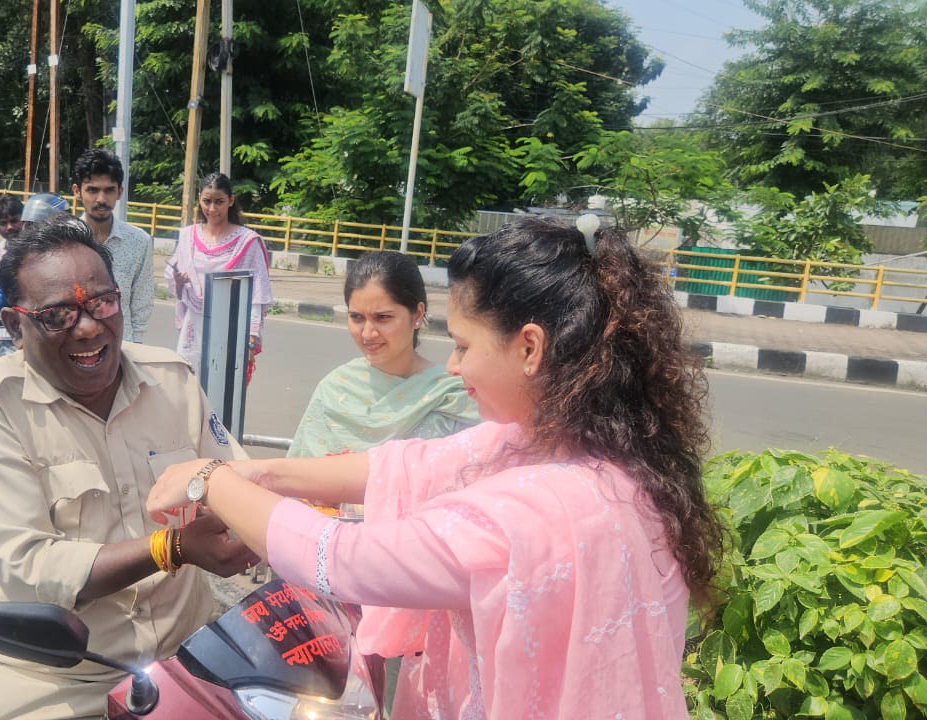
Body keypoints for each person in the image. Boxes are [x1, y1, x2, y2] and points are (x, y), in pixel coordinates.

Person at [147, 216, 724, 718]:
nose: (452, 366)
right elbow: (408, 465)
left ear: (530, 347)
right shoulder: (588, 446)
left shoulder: (528, 509)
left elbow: (347, 560)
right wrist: (261, 475)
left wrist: (213, 480)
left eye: (465, 346)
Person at [0, 214, 255, 720]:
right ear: (13, 326)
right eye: (58, 315)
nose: (88, 326)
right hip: (61, 677)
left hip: (193, 656)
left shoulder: (172, 378)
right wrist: (172, 547)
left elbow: (236, 480)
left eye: (101, 303)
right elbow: (31, 565)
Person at [288, 250, 478, 461]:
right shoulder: (334, 389)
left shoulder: (454, 396)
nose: (368, 333)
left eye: (383, 317)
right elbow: (304, 474)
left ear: (417, 314)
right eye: (356, 317)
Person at [166, 172, 273, 378]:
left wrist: (251, 338)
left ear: (231, 201)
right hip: (194, 326)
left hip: (230, 328)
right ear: (199, 199)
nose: (212, 209)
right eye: (207, 201)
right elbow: (174, 280)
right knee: (189, 389)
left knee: (222, 391)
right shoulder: (188, 236)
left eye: (219, 202)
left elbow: (256, 294)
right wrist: (178, 282)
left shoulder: (247, 242)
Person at [71, 148, 154, 343]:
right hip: (75, 347)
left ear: (120, 192)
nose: (101, 199)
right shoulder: (63, 239)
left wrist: (135, 348)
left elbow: (142, 301)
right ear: (77, 191)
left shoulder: (138, 241)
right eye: (92, 189)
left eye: (109, 190)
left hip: (120, 347)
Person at [0, 193, 68, 324]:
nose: (10, 227)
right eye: (32, 224)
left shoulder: (73, 251)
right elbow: (2, 287)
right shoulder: (16, 255)